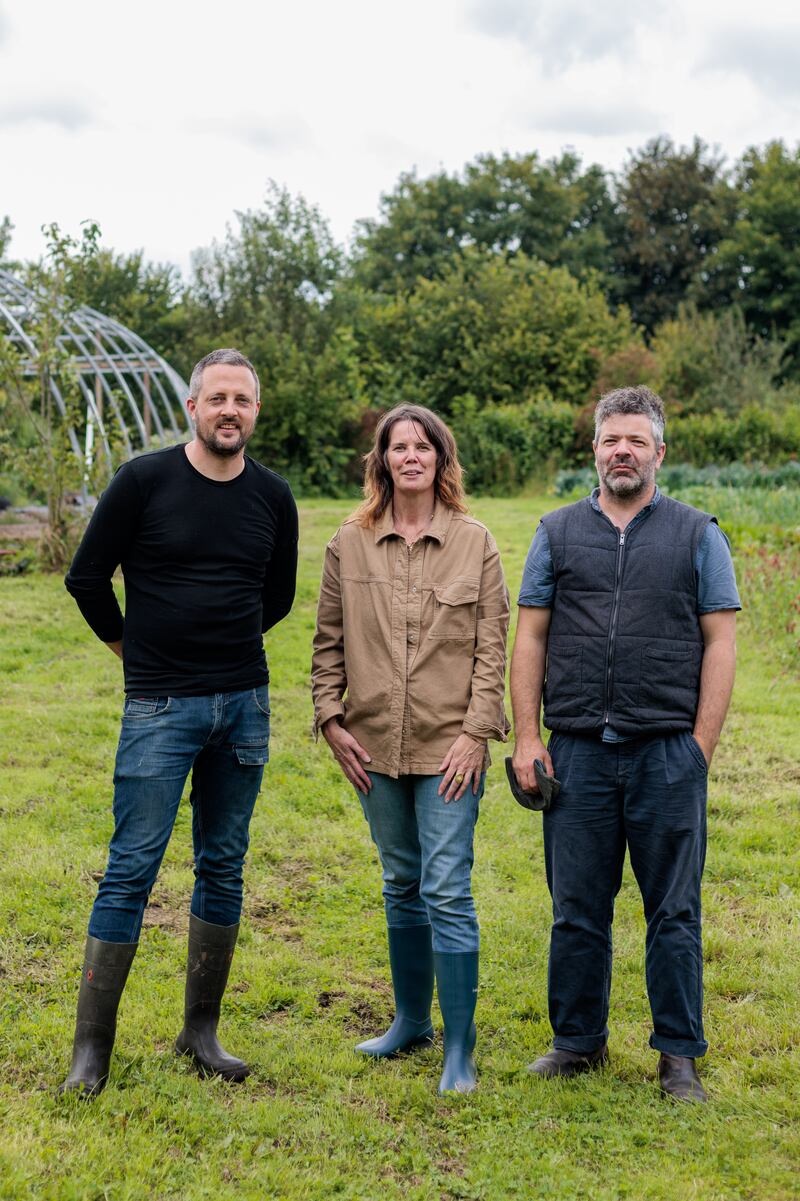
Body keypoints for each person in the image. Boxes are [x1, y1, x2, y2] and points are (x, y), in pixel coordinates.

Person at [60, 348, 298, 1097]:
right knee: (132, 867)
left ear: (256, 411)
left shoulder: (273, 495)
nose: (231, 409)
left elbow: (279, 596)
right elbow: (86, 577)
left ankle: (200, 1032)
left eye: (244, 399)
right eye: (217, 396)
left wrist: (224, 645)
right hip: (159, 705)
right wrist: (139, 651)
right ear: (192, 407)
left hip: (245, 705)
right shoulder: (144, 480)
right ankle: (91, 1051)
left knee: (222, 864)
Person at [510, 385, 739, 1103]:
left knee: (673, 908)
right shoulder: (554, 531)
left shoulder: (699, 533)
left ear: (659, 452)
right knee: (576, 904)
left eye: (637, 440)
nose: (623, 451)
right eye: (612, 439)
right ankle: (577, 1040)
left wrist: (699, 748)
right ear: (595, 449)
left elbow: (721, 643)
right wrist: (525, 736)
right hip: (575, 748)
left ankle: (678, 1055)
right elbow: (532, 635)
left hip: (666, 751)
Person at [312, 404, 509, 1094]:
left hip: (449, 746)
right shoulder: (349, 541)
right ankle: (409, 1022)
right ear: (383, 460)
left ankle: (460, 1049)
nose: (411, 456)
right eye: (399, 447)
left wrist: (477, 732)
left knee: (447, 888)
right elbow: (327, 640)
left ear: (440, 458)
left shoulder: (474, 542)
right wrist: (330, 718)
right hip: (373, 746)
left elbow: (493, 648)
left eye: (423, 446)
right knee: (401, 881)